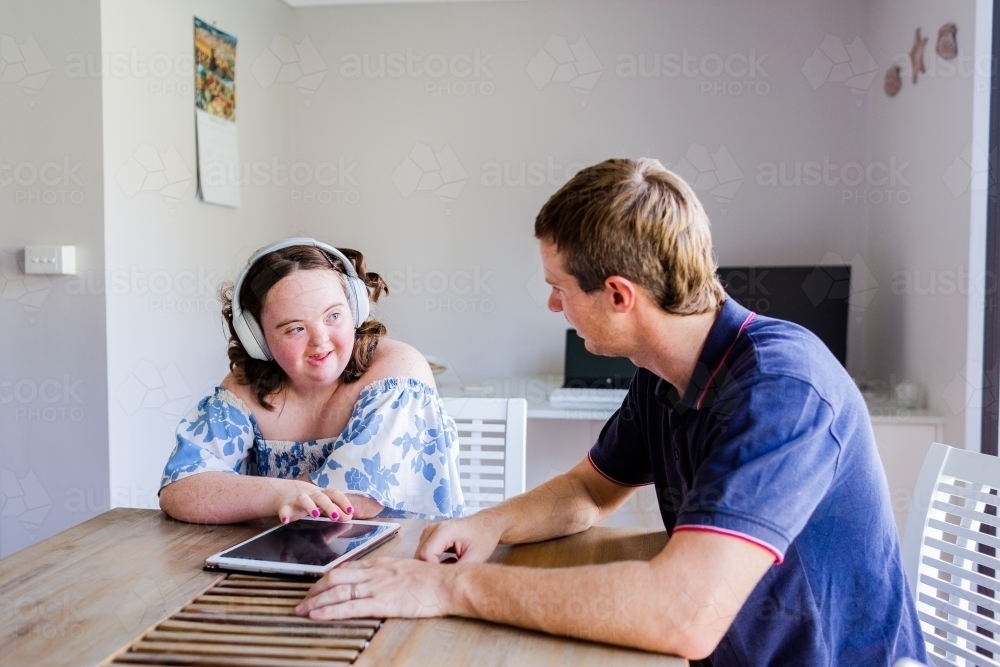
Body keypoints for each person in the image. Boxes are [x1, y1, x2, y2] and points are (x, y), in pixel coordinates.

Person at [293, 161, 927, 665]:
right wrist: (488, 525)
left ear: (619, 295)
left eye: (560, 287)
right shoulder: (665, 372)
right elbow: (590, 492)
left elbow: (683, 614)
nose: (552, 304)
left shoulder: (781, 390)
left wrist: (448, 589)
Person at [159, 238, 465, 524]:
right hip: (288, 564)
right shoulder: (243, 390)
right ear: (258, 340)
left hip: (401, 566)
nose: (320, 341)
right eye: (294, 328)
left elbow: (357, 498)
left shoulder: (399, 369)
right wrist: (283, 495)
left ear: (355, 308)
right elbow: (181, 490)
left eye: (333, 316)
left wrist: (251, 495)